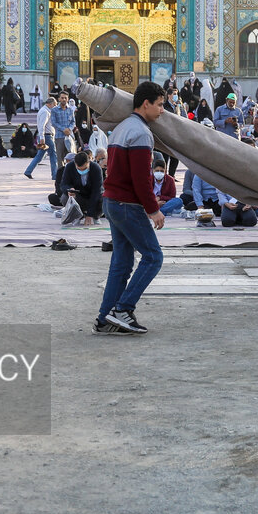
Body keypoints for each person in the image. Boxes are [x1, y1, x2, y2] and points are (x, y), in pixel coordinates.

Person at [93, 82, 166, 335]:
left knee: (122, 264)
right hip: (127, 204)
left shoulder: (122, 127)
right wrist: (152, 209)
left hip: (111, 201)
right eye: (159, 105)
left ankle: (104, 319)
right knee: (153, 257)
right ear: (146, 104)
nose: (162, 110)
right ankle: (123, 309)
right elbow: (140, 178)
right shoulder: (142, 133)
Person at [60, 149, 104, 225]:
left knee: (104, 198)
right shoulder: (70, 167)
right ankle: (78, 216)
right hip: (79, 195)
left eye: (84, 169)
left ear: (88, 162)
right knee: (64, 198)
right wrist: (69, 190)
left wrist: (90, 214)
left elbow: (96, 191)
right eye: (79, 169)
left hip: (92, 196)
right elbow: (64, 184)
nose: (82, 171)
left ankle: (96, 216)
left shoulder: (96, 168)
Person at [24, 96, 58, 179]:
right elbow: (41, 125)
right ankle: (55, 175)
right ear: (50, 104)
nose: (55, 107)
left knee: (40, 156)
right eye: (55, 105)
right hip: (46, 136)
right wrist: (42, 137)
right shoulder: (45, 112)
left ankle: (28, 171)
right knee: (53, 155)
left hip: (46, 136)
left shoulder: (46, 110)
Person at [50, 91, 77, 162]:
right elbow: (53, 123)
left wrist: (69, 129)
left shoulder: (70, 109)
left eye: (65, 98)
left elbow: (73, 122)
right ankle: (61, 172)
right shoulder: (54, 110)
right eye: (62, 98)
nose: (64, 99)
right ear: (59, 99)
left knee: (71, 157)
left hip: (70, 136)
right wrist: (63, 129)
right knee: (60, 158)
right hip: (59, 137)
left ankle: (70, 172)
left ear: (68, 99)